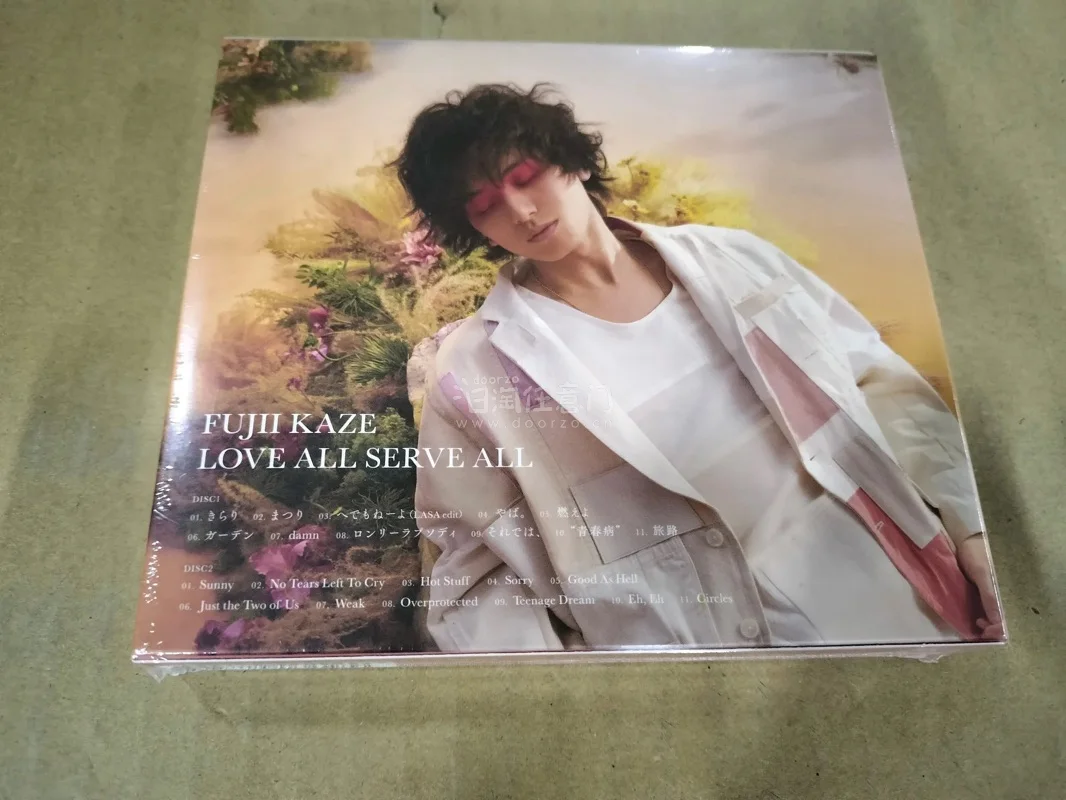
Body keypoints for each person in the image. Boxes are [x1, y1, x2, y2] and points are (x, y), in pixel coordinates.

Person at [392, 83, 1004, 653]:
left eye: (525, 176)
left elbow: (879, 387)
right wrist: (579, 695)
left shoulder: (737, 261)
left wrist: (974, 532)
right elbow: (475, 569)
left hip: (893, 594)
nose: (521, 210)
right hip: (690, 658)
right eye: (485, 205)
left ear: (572, 161)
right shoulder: (471, 371)